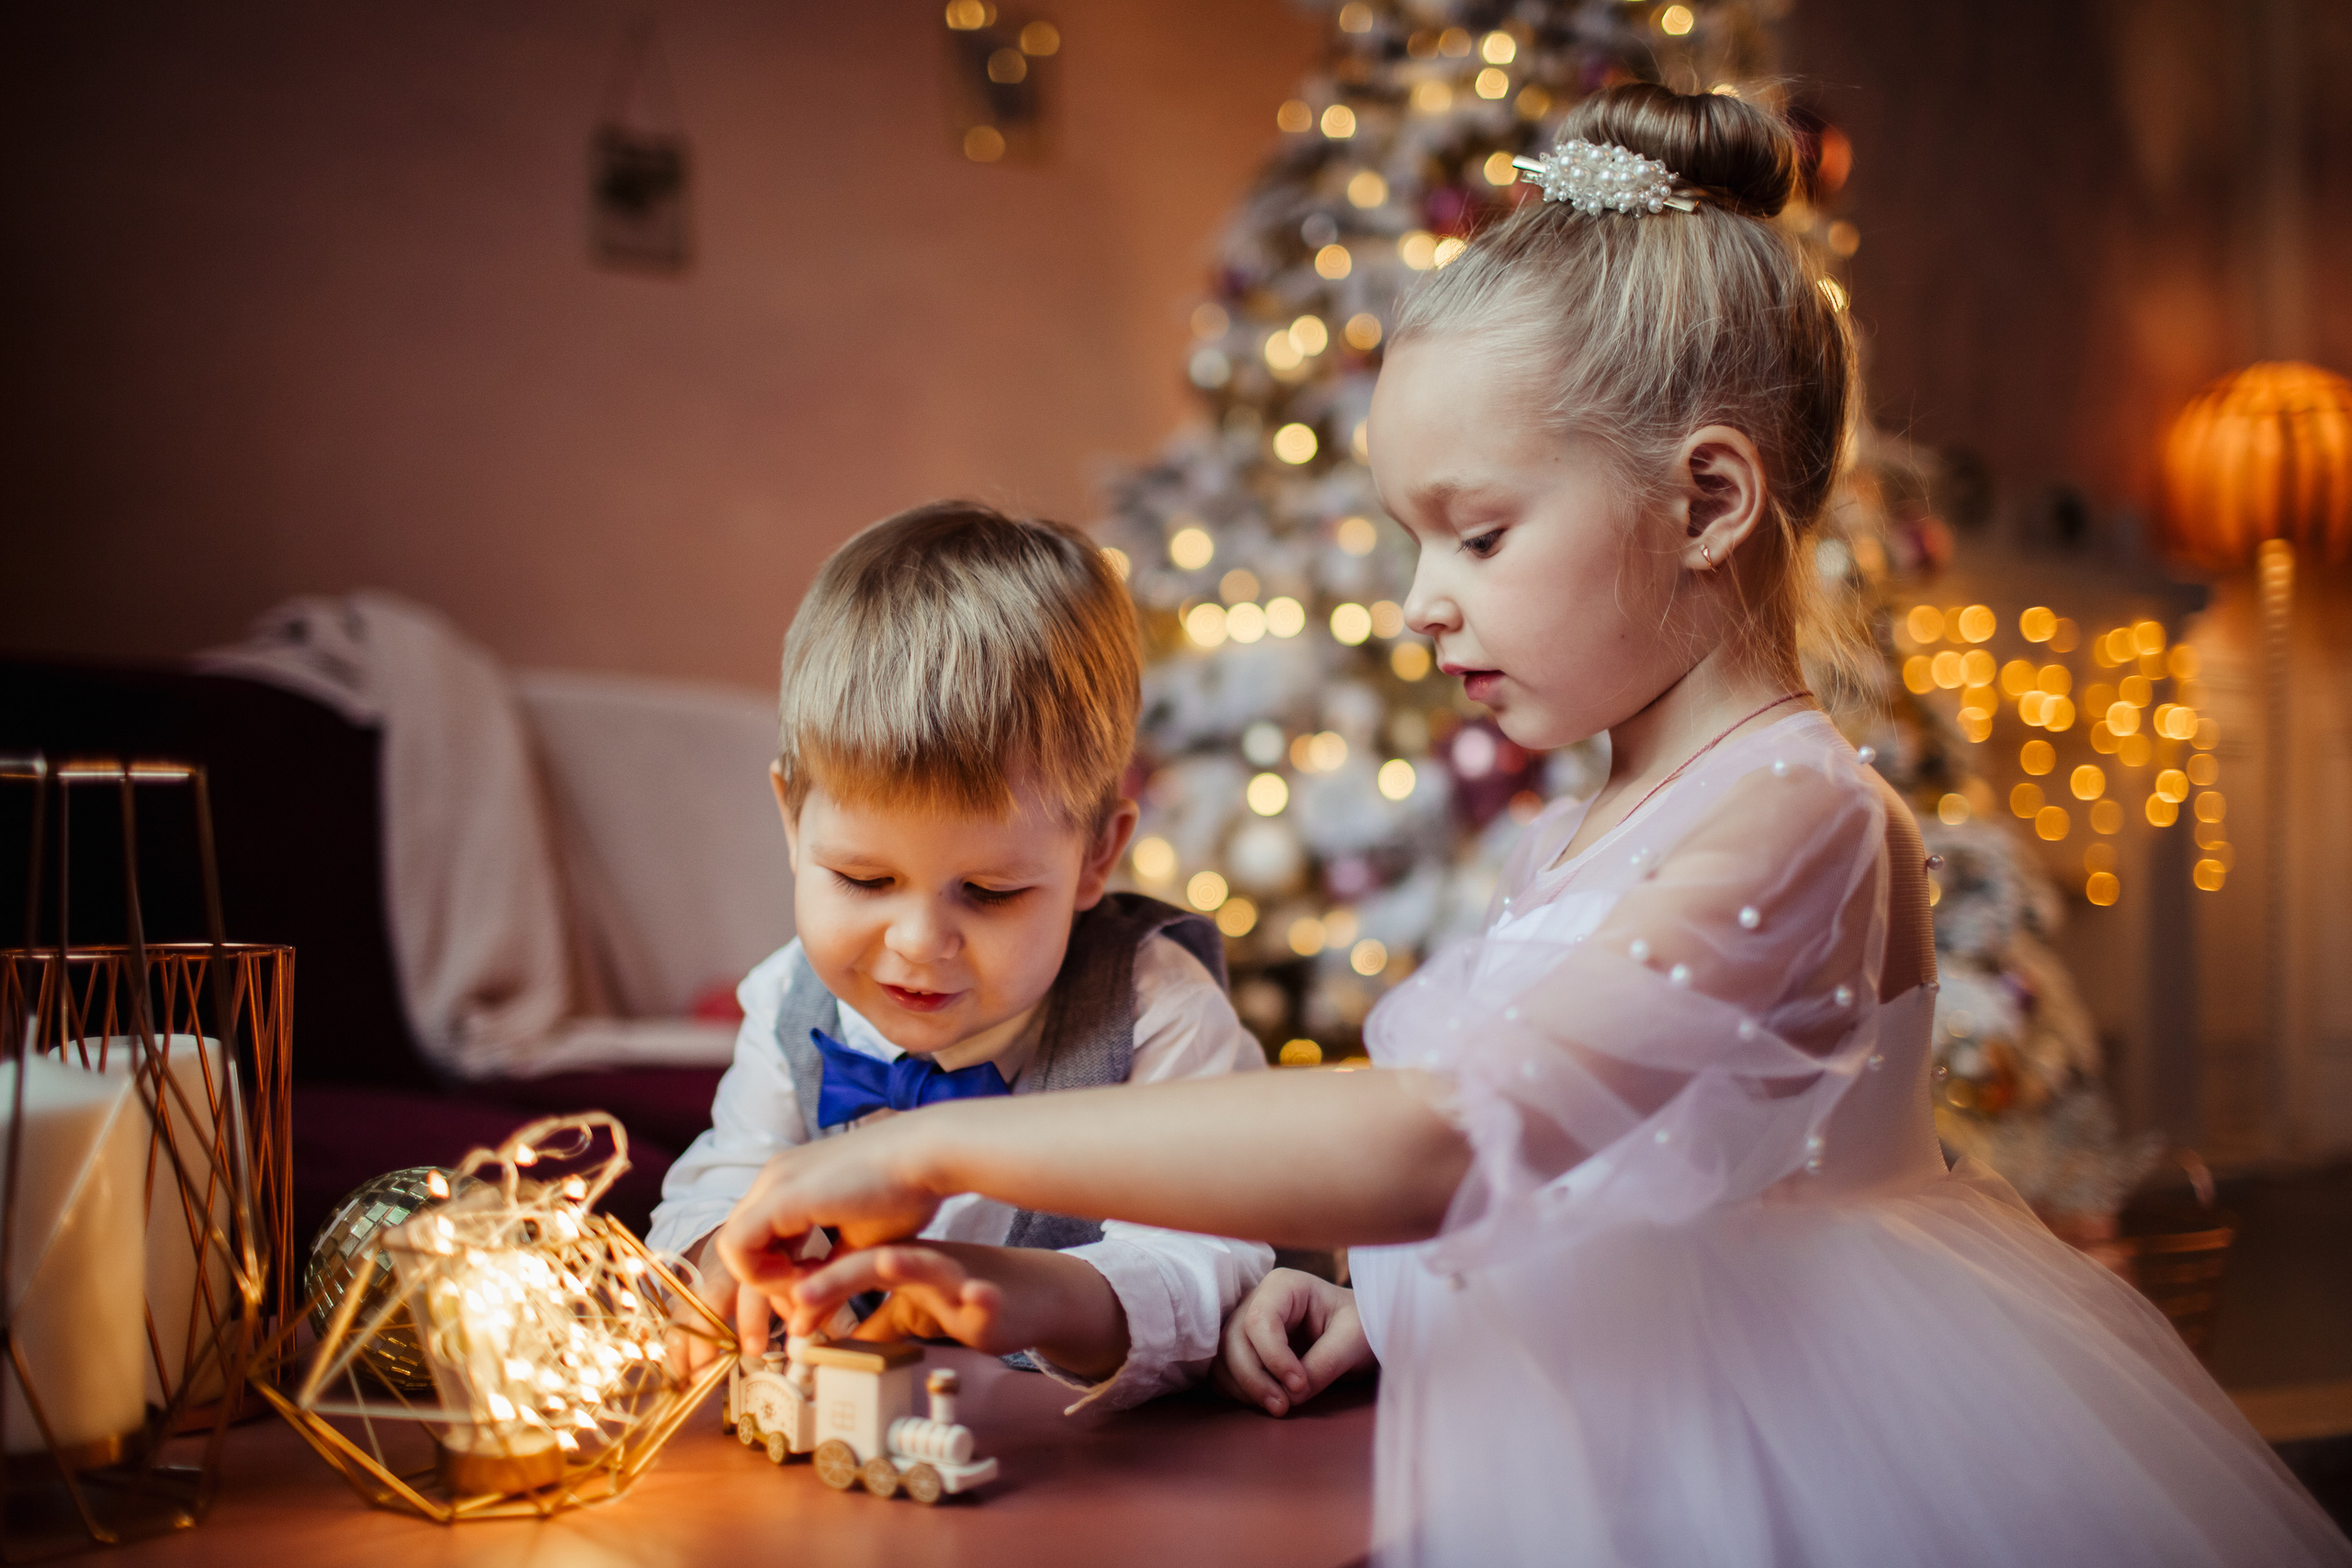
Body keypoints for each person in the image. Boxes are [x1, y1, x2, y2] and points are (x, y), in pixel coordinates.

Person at [712, 86, 2352, 1566]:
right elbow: (1582, 1176)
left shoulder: (1801, 815)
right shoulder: (1580, 826)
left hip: (1757, 1445)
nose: (1422, 602)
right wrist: (1379, 1306)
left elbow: (1444, 1140)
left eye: (1478, 535)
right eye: (1414, 540)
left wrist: (922, 1146)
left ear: (1708, 501)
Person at [649, 501, 1272, 1412]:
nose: (917, 942)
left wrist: (1033, 1295)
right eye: (863, 879)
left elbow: (1210, 1259)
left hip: (1081, 1454)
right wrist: (719, 1253)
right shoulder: (791, 999)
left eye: (987, 892)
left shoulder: (1157, 1011)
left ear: (1096, 856)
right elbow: (720, 1177)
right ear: (792, 821)